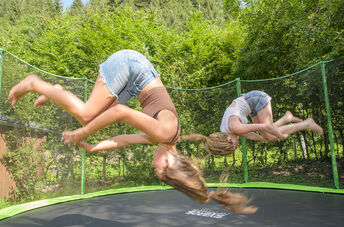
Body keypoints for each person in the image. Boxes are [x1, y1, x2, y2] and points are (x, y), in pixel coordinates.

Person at [8, 49, 257, 214]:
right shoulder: (164, 133)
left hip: (134, 79)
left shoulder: (165, 140)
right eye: (159, 169)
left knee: (90, 113)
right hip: (131, 67)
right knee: (86, 116)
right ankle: (34, 83)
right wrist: (82, 133)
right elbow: (121, 113)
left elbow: (122, 141)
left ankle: (55, 92)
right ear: (170, 162)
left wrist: (94, 147)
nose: (153, 166)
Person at [182, 90, 323, 156]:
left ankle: (307, 123)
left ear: (229, 139)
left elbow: (267, 127)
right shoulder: (228, 131)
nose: (237, 146)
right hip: (252, 105)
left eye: (234, 146)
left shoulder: (235, 128)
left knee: (273, 135)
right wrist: (270, 138)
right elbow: (255, 136)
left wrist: (279, 135)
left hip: (257, 99)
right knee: (270, 137)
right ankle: (287, 118)